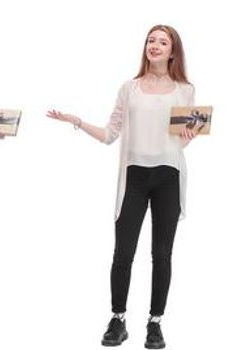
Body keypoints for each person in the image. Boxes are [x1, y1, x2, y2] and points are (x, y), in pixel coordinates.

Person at [42, 24, 197, 350]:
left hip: (168, 176)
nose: (154, 45)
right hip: (135, 177)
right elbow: (111, 134)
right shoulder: (130, 88)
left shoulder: (185, 89)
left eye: (162, 42)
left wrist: (188, 137)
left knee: (162, 255)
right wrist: (76, 121)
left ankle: (155, 324)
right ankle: (118, 319)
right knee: (123, 252)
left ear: (172, 51)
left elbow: (179, 143)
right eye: (151, 40)